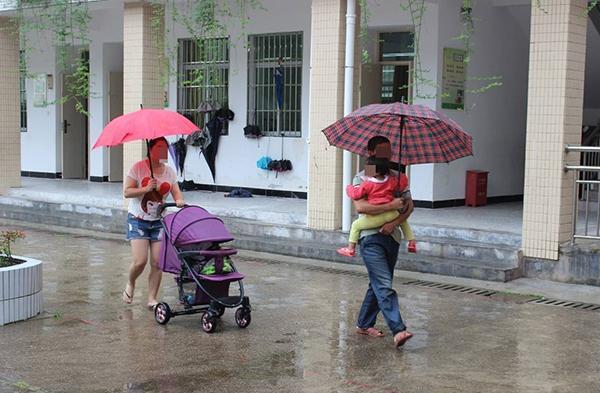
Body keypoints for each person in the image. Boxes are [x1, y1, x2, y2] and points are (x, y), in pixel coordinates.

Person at [353, 136, 414, 348]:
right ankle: (399, 329)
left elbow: (409, 206)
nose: (386, 155)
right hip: (370, 238)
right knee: (384, 284)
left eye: (389, 151)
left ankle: (364, 323)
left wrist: (395, 221)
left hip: (393, 237)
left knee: (378, 283)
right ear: (371, 153)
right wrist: (391, 206)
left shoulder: (398, 177)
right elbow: (361, 208)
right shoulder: (362, 178)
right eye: (381, 151)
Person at [122, 137, 185, 310]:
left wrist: (179, 200)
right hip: (138, 220)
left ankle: (151, 298)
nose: (163, 151)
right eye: (160, 147)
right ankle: (131, 282)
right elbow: (127, 192)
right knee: (140, 261)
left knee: (157, 262)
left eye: (166, 148)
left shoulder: (169, 172)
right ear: (150, 149)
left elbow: (176, 193)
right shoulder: (138, 168)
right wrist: (145, 189)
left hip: (158, 222)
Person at [337, 156, 416, 257]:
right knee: (403, 222)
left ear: (377, 172)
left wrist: (349, 188)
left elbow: (356, 194)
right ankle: (411, 241)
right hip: (393, 213)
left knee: (355, 226)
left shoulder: (368, 184)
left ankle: (350, 249)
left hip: (377, 216)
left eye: (369, 167)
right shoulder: (391, 181)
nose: (366, 169)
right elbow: (402, 183)